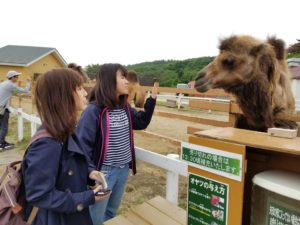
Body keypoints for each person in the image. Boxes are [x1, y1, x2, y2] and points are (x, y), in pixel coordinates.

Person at [22, 68, 110, 225]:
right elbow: (39, 195)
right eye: (79, 88)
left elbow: (71, 160)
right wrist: (88, 197)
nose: (85, 93)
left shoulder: (63, 129)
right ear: (62, 95)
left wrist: (90, 171)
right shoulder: (47, 143)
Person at [76, 63, 157, 225]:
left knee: (112, 212)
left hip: (122, 170)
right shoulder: (94, 111)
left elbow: (141, 122)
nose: (127, 81)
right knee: (95, 216)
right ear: (109, 81)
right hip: (104, 173)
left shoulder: (124, 107)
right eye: (122, 77)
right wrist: (91, 174)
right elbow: (83, 147)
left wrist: (151, 102)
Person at [0, 70, 31, 151]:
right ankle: (1, 144)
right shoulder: (10, 85)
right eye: (17, 76)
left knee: (1, 126)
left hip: (1, 107)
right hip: (2, 108)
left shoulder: (4, 83)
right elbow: (25, 91)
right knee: (4, 127)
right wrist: (28, 82)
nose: (17, 78)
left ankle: (2, 141)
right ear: (12, 77)